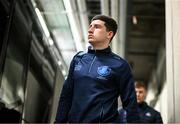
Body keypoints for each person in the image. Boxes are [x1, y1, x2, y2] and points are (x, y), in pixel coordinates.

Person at [55, 15, 139, 123]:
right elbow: (66, 96)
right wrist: (58, 121)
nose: (90, 30)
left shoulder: (120, 65)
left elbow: (130, 103)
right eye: (90, 26)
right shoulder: (78, 59)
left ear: (109, 34)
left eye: (96, 27)